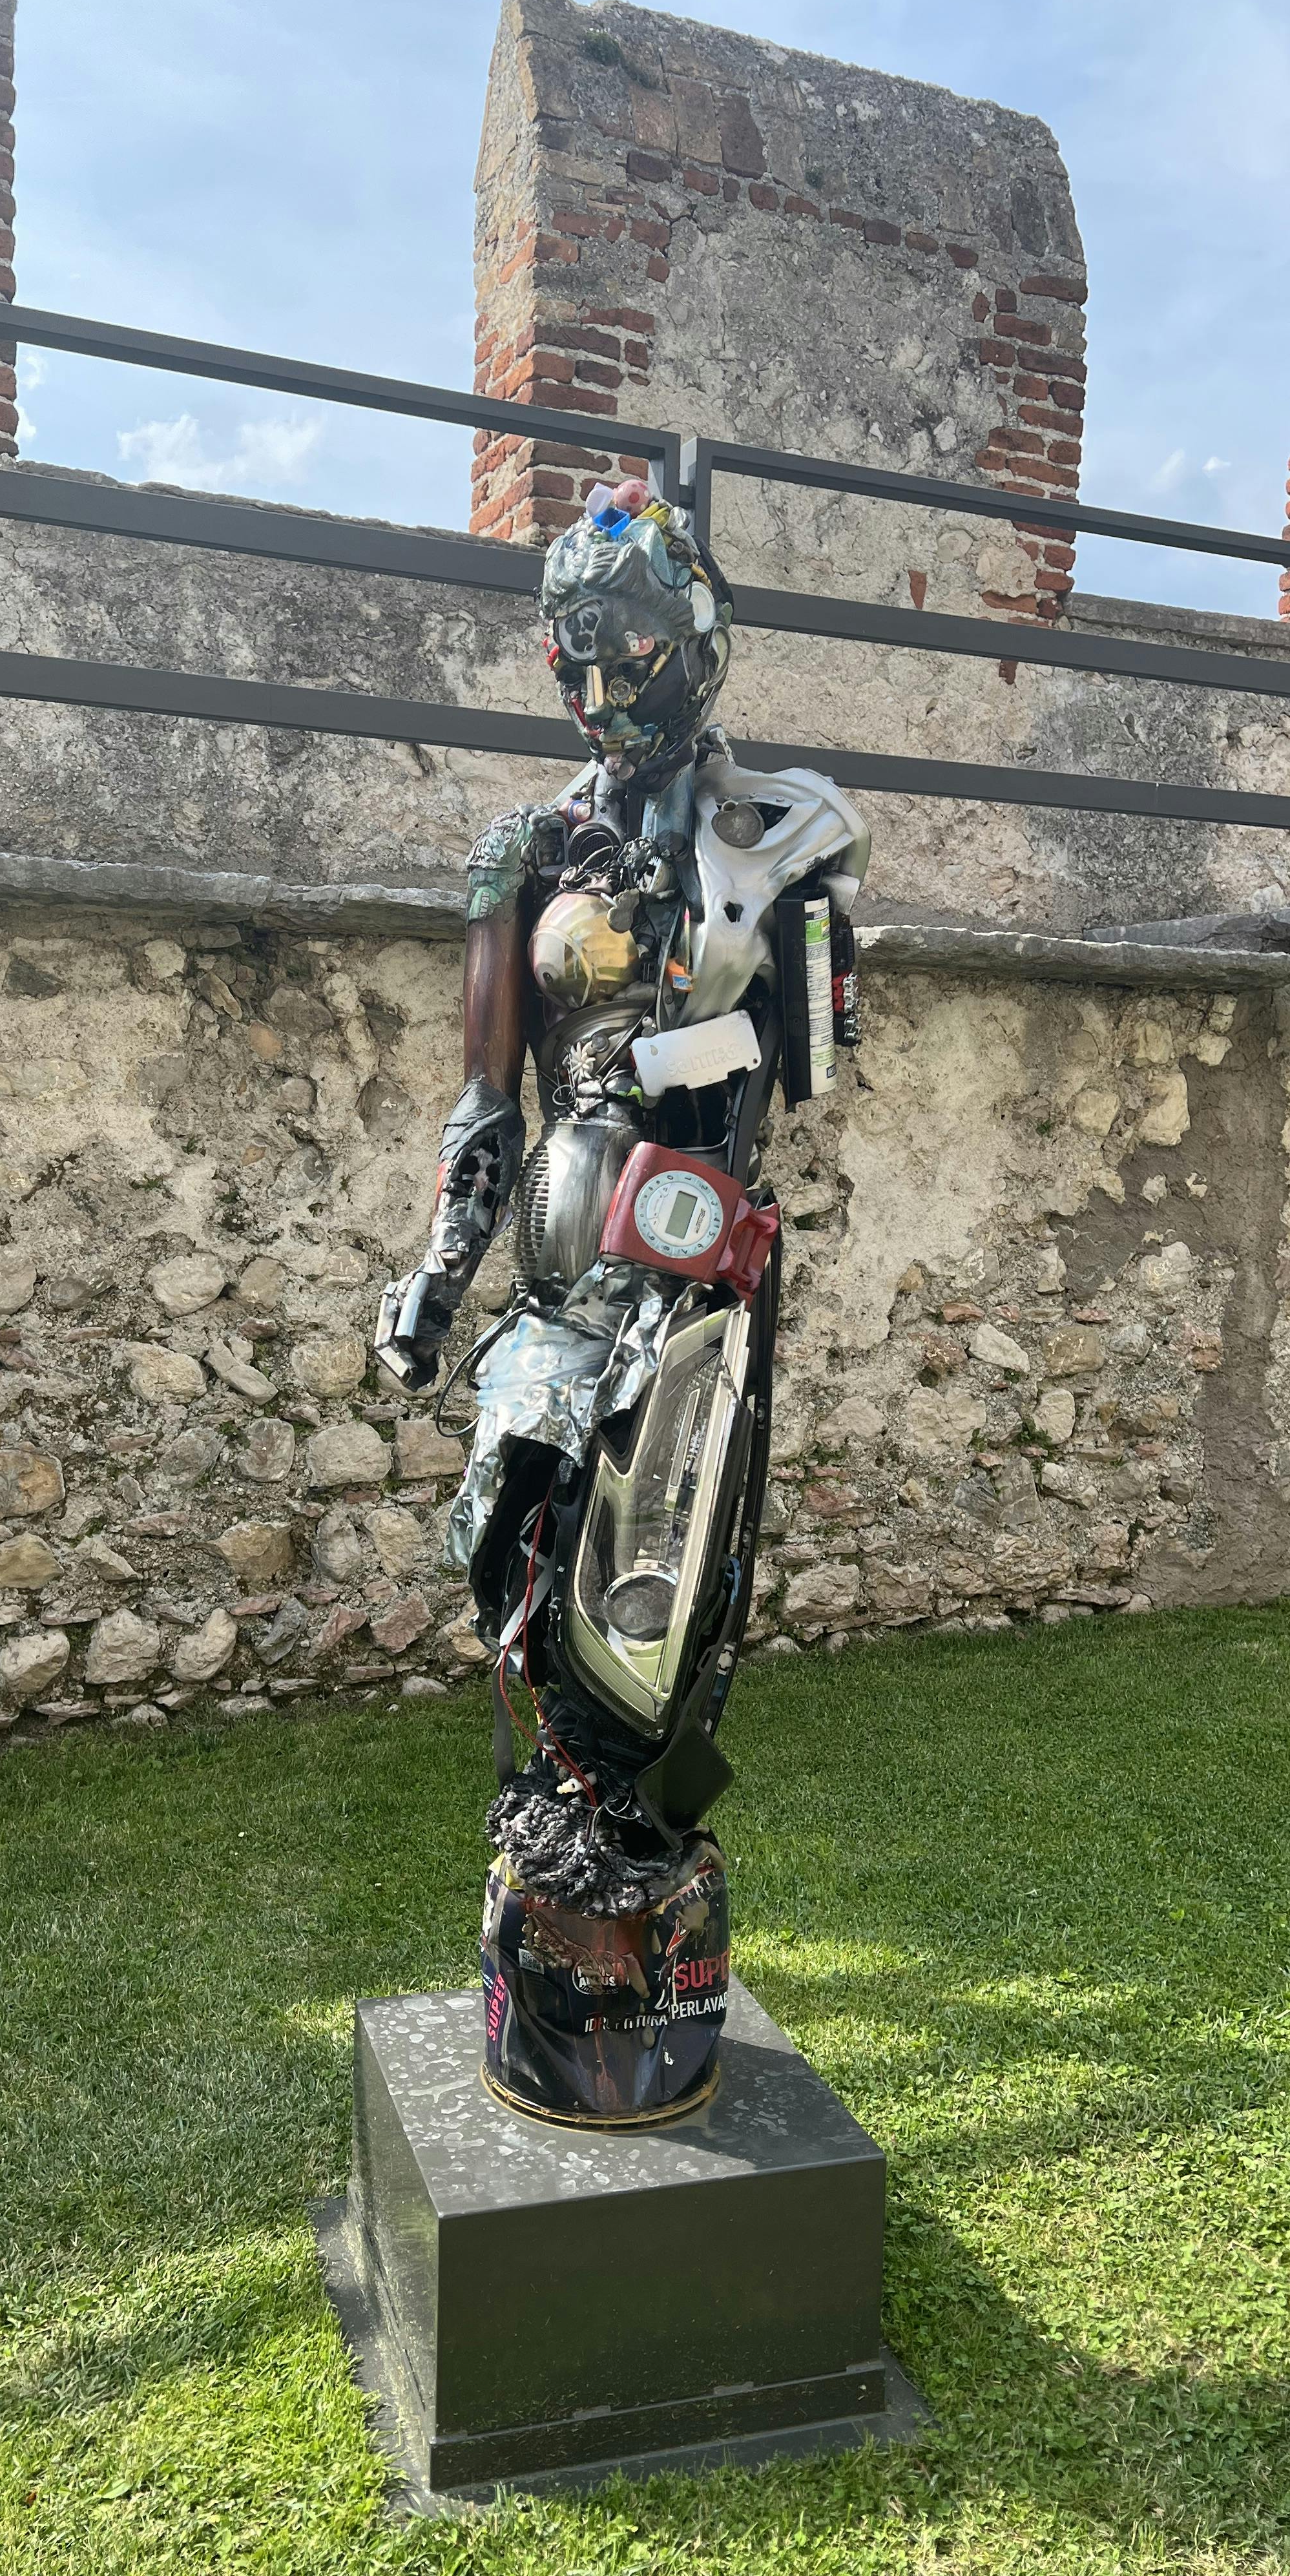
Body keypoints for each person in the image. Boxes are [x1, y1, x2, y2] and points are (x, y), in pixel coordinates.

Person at [374, 476, 869, 2123]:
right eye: (575, 657)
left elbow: (808, 1066)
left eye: (631, 649)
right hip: (559, 1242)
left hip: (697, 1250)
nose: (602, 686)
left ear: (696, 640)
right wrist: (439, 1269)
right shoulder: (520, 851)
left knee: (657, 1577)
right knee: (508, 1525)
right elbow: (484, 1098)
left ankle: (631, 1841)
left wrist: (721, 1024)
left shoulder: (788, 831)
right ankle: (565, 1830)